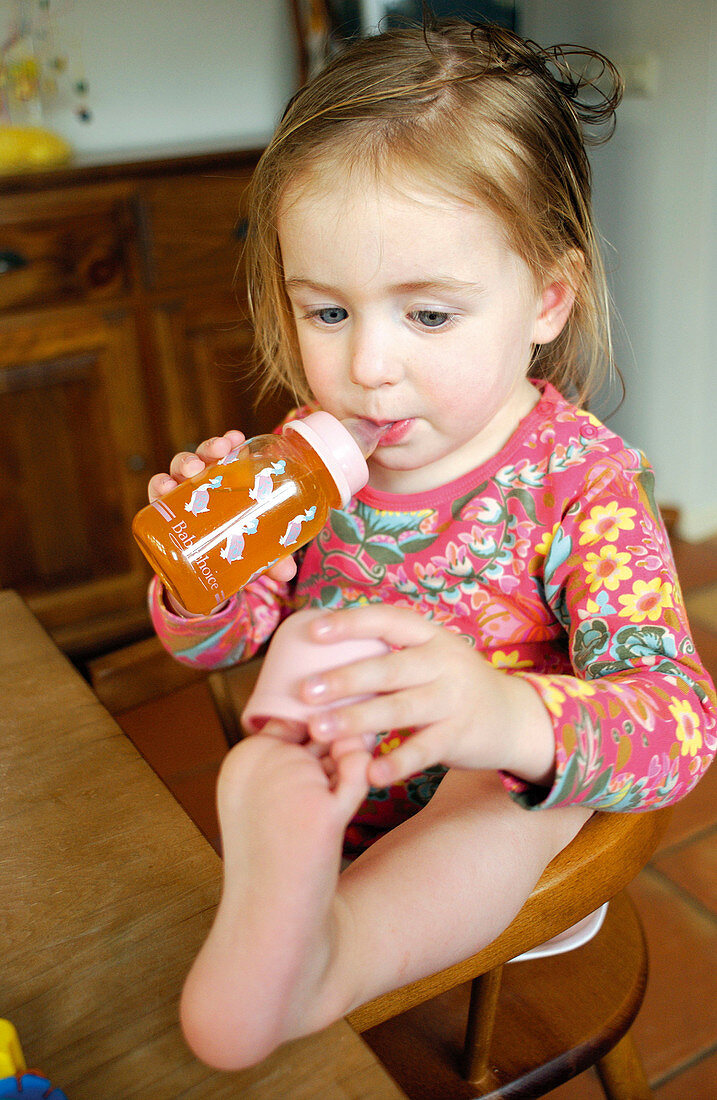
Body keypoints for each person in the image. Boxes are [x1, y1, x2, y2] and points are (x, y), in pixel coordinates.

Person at [145, 20, 716, 1070]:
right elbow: (220, 649)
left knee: (492, 791)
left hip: (495, 832)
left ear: (547, 298)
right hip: (345, 794)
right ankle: (283, 843)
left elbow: (680, 725)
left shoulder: (579, 483)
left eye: (429, 315)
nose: (368, 365)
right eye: (327, 309)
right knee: (280, 731)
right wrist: (207, 577)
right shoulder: (299, 467)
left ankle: (327, 958)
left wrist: (501, 712)